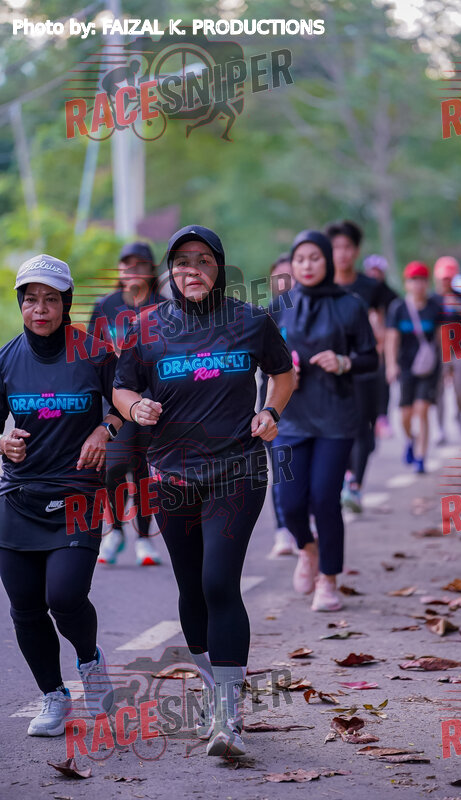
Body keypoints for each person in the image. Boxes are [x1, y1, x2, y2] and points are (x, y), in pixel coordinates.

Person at [112, 225, 295, 758]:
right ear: (170, 270)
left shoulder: (250, 321)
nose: (191, 270)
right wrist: (134, 407)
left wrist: (270, 411)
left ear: (219, 268)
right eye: (182, 262)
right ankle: (215, 691)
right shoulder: (146, 326)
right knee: (191, 589)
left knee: (219, 582)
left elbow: (283, 374)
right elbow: (121, 387)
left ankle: (228, 715)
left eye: (203, 261)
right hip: (171, 477)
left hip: (236, 471)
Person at [0, 255, 120, 738]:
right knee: (25, 607)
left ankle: (90, 661)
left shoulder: (96, 355)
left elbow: (126, 404)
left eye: (51, 300)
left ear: (66, 304)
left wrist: (105, 430)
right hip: (19, 496)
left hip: (78, 494)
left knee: (65, 597)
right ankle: (54, 696)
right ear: (21, 304)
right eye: (31, 300)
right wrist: (2, 441)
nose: (40, 309)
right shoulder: (7, 358)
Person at [273, 230, 378, 612]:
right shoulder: (280, 306)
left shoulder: (350, 306)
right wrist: (284, 369)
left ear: (327, 261)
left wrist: (344, 361)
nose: (306, 265)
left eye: (314, 258)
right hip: (290, 418)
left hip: (336, 417)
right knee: (289, 503)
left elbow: (371, 358)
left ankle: (329, 580)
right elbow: (264, 357)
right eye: (300, 259)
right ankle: (308, 550)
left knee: (324, 498)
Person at [88, 242, 165, 567]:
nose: (132, 270)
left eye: (140, 264)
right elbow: (91, 351)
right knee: (114, 467)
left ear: (151, 269)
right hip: (116, 398)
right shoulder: (105, 305)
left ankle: (144, 538)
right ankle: (116, 530)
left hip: (153, 399)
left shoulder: (163, 306)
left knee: (145, 469)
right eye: (126, 264)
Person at [325, 220, 387, 513]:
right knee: (337, 428)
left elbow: (392, 315)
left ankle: (355, 486)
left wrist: (381, 332)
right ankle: (346, 476)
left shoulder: (370, 287)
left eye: (347, 247)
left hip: (362, 367)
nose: (342, 253)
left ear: (357, 250)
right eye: (336, 247)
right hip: (328, 371)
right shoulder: (321, 287)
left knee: (363, 428)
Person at [385, 261, 443, 474]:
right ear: (406, 283)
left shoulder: (435, 307)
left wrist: (447, 367)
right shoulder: (398, 308)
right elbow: (392, 339)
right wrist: (391, 365)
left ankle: (421, 456)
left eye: (421, 280)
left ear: (427, 283)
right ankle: (411, 440)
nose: (417, 284)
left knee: (422, 409)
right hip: (405, 368)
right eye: (413, 280)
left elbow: (441, 339)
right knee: (405, 414)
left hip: (429, 368)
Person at [259, 254, 298, 557]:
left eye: (289, 276)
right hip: (274, 402)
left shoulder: (308, 310)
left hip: (310, 401)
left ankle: (305, 524)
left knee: (303, 470)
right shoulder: (265, 315)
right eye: (278, 277)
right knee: (280, 469)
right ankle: (282, 531)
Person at [432, 257, 461, 444]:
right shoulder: (432, 300)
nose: (445, 282)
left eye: (449, 278)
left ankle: (459, 414)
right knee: (438, 391)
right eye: (443, 278)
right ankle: (440, 428)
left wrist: (458, 306)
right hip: (439, 352)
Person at [363, 254, 398, 438]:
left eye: (378, 271)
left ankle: (382, 417)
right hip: (364, 345)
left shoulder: (390, 296)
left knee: (383, 381)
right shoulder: (359, 292)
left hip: (384, 344)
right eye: (372, 271)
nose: (374, 275)